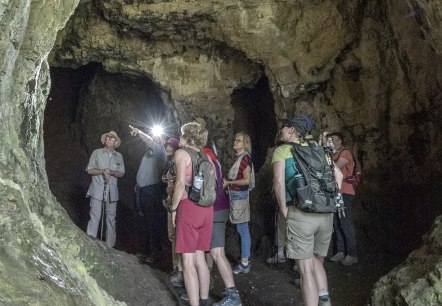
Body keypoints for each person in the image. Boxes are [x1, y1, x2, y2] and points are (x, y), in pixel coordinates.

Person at [272, 115, 342, 306]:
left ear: (292, 130)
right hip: (326, 214)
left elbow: (278, 182)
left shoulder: (282, 151)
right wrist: (331, 203)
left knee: (305, 269)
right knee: (316, 261)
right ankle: (324, 299)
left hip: (301, 214)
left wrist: (284, 209)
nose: (282, 130)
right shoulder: (318, 150)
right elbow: (339, 175)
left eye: (284, 127)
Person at [170, 122, 214, 306]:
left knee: (187, 260)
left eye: (182, 135)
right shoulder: (207, 157)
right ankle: (204, 300)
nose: (179, 138)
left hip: (189, 207)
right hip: (207, 210)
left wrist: (173, 209)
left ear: (188, 137)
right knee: (200, 257)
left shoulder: (182, 154)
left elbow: (180, 183)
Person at [203, 147, 242, 306]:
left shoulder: (205, 159)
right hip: (219, 208)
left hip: (215, 210)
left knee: (217, 252)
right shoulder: (214, 159)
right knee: (210, 251)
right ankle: (205, 285)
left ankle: (233, 296)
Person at [130, 125, 168, 262]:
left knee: (152, 223)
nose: (155, 139)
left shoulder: (161, 151)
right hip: (141, 191)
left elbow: (150, 141)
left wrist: (139, 132)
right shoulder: (147, 153)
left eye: (158, 137)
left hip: (152, 191)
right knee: (142, 221)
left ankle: (155, 253)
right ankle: (144, 251)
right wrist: (138, 184)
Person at [85, 131, 125, 248]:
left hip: (112, 192)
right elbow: (89, 170)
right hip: (97, 190)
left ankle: (110, 246)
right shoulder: (96, 153)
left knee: (111, 219)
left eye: (112, 138)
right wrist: (102, 171)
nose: (109, 139)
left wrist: (111, 172)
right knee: (95, 216)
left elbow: (121, 173)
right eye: (108, 137)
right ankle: (90, 242)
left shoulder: (119, 156)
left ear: (115, 142)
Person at [224, 131, 255, 275]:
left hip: (239, 196)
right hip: (235, 195)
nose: (235, 142)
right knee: (241, 228)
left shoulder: (245, 159)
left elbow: (247, 180)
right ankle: (244, 260)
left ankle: (244, 263)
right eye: (235, 139)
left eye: (239, 140)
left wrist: (229, 182)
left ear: (245, 144)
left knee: (243, 229)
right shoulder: (240, 159)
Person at [327, 132, 358, 266]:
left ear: (340, 141)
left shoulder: (345, 153)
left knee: (345, 222)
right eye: (330, 140)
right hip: (334, 192)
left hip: (344, 192)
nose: (332, 142)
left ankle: (352, 254)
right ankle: (340, 251)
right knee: (336, 222)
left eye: (334, 140)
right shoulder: (332, 155)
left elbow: (335, 168)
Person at [162, 137, 185, 287]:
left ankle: (180, 269)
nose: (167, 147)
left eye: (171, 145)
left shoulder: (178, 162)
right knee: (171, 235)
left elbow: (181, 182)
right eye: (167, 145)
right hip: (170, 201)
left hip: (177, 203)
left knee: (176, 236)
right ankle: (175, 266)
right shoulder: (169, 162)